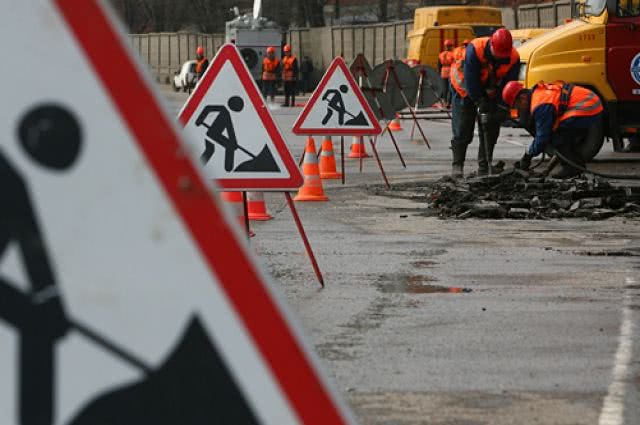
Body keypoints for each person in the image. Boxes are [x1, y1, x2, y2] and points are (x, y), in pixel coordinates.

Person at [449, 29, 520, 177]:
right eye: (498, 54)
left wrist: (501, 106)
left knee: (491, 126)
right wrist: (480, 102)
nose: (501, 58)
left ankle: (484, 166)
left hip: (490, 90)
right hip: (464, 89)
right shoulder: (475, 49)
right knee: (463, 127)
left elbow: (508, 85)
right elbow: (471, 80)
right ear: (491, 45)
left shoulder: (513, 58)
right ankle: (457, 165)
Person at [502, 80, 604, 178]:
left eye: (517, 106)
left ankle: (572, 168)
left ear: (522, 98)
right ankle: (576, 164)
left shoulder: (540, 105)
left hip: (589, 106)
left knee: (557, 136)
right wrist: (546, 169)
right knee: (560, 133)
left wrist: (527, 156)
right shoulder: (537, 94)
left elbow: (542, 138)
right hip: (591, 102)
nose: (519, 110)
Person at [438, 39, 455, 107]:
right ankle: (449, 102)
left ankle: (445, 102)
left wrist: (439, 73)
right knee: (450, 88)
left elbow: (439, 65)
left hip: (443, 72)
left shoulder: (441, 54)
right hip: (450, 71)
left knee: (444, 88)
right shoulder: (453, 54)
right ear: (451, 46)